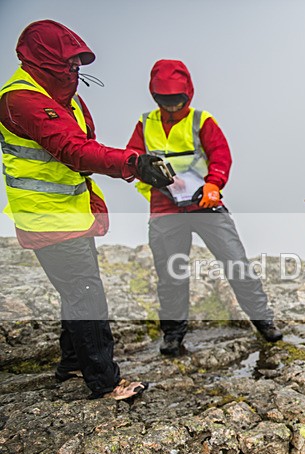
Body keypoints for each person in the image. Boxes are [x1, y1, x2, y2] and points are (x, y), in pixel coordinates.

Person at [0, 20, 169, 400]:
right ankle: (105, 381)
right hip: (48, 216)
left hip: (70, 212)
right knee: (86, 292)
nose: (76, 73)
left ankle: (73, 362)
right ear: (44, 62)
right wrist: (134, 163)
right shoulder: (21, 100)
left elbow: (82, 146)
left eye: (79, 65)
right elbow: (73, 150)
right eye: (70, 65)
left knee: (76, 291)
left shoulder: (63, 98)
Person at [125, 59, 282, 357]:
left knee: (235, 263)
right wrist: (140, 167)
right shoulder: (145, 124)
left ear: (188, 94)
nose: (172, 107)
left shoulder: (201, 120)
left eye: (177, 101)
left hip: (205, 203)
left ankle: (264, 322)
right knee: (171, 275)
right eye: (165, 101)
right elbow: (132, 160)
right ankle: (173, 336)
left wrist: (215, 183)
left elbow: (221, 155)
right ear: (155, 96)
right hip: (165, 209)